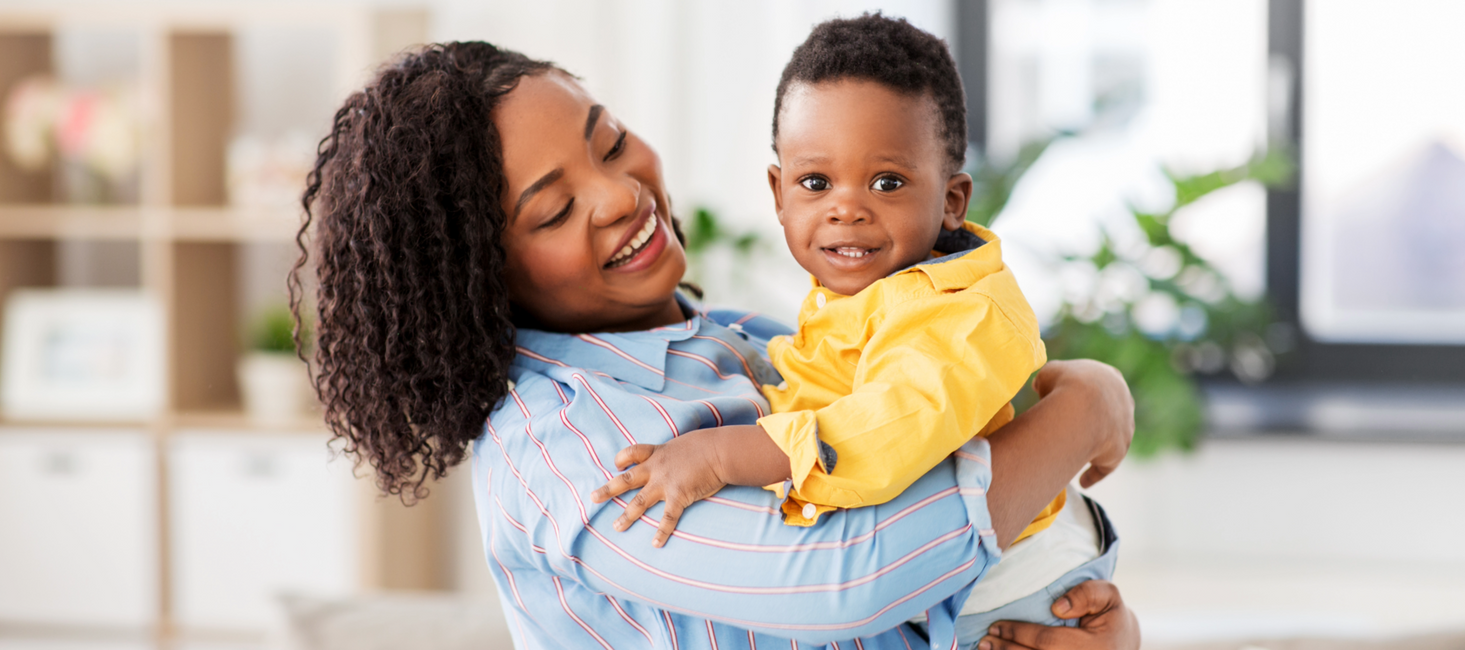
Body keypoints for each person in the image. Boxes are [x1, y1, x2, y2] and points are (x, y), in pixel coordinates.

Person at [292, 40, 1139, 649]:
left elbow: (928, 481)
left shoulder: (748, 341)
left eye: (610, 141)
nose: (621, 195)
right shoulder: (559, 447)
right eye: (553, 211)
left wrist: (1063, 617)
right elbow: (851, 579)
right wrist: (1086, 411)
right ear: (481, 277)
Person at [590, 14, 1117, 646]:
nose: (847, 206)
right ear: (779, 193)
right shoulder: (860, 295)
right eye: (816, 182)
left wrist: (722, 454)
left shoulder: (964, 312)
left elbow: (884, 432)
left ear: (952, 200)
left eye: (887, 182)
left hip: (1020, 591)